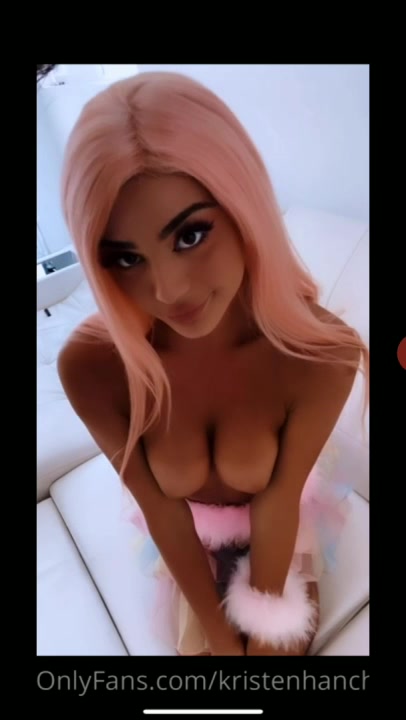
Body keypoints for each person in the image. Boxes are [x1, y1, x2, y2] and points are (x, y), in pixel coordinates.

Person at [57, 71, 369, 656]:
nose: (167, 289)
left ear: (243, 205)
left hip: (280, 537)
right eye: (125, 258)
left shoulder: (320, 355)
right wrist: (224, 641)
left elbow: (278, 500)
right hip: (186, 549)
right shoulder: (94, 367)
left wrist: (265, 630)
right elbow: (160, 509)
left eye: (190, 235)